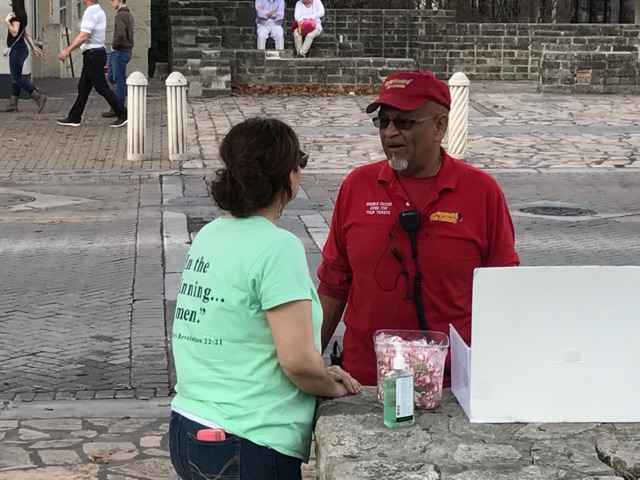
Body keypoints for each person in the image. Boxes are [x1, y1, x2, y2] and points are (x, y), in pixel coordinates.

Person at [169, 117, 361, 480]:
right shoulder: (278, 247)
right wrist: (329, 385)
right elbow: (298, 361)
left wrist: (319, 372)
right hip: (248, 439)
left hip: (188, 426)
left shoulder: (210, 234)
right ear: (289, 177)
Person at [317, 69, 520, 388]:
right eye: (383, 122)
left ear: (440, 126)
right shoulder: (357, 186)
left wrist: (499, 379)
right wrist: (308, 361)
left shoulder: (482, 192)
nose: (390, 133)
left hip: (452, 387)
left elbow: (503, 291)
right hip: (365, 384)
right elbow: (334, 282)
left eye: (404, 122)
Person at [57, 0, 127, 128]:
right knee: (83, 87)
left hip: (92, 55)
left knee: (102, 87)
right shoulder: (99, 11)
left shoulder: (90, 13)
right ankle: (74, 116)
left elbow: (84, 35)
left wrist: (67, 50)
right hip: (97, 53)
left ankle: (123, 113)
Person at [3, 0, 46, 113]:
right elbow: (25, 34)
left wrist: (7, 22)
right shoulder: (22, 15)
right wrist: (33, 48)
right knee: (16, 77)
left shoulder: (15, 16)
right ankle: (13, 103)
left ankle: (38, 97)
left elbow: (15, 32)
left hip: (17, 51)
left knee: (17, 78)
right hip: (22, 49)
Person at [102, 0, 134, 118]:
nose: (110, 2)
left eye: (113, 0)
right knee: (112, 77)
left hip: (120, 51)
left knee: (118, 80)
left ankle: (118, 108)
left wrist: (114, 46)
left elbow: (120, 34)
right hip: (124, 51)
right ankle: (130, 94)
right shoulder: (127, 14)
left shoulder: (120, 16)